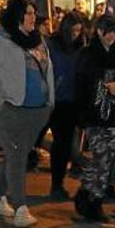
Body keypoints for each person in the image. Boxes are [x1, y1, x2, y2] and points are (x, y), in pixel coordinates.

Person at [0, 0, 54, 228]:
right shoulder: (0, 43)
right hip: (10, 111)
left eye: (33, 13)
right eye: (27, 13)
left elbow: (47, 71)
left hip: (37, 111)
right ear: (17, 16)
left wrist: (49, 101)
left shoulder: (39, 42)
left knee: (14, 155)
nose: (32, 17)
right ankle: (20, 206)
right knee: (18, 156)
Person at [74, 15, 115, 223]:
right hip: (94, 116)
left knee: (107, 160)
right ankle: (93, 200)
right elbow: (81, 85)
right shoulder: (87, 54)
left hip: (113, 115)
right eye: (109, 32)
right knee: (101, 159)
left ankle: (88, 194)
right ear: (99, 32)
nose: (112, 36)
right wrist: (82, 115)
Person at [46, 11, 84, 200]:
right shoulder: (52, 45)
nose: (76, 34)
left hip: (71, 101)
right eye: (73, 30)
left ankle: (57, 183)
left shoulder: (80, 47)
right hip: (52, 99)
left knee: (63, 143)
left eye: (79, 31)